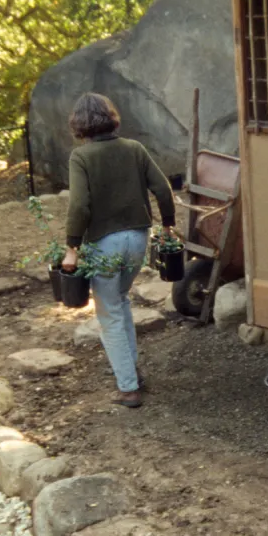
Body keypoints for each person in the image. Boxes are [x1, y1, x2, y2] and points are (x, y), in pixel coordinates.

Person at [62, 93, 177, 409]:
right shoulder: (134, 149)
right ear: (111, 117)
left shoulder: (81, 157)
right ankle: (132, 370)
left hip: (105, 243)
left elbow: (80, 205)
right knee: (120, 300)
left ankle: (128, 387)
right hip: (139, 237)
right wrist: (168, 224)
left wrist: (71, 247)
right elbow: (163, 189)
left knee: (109, 312)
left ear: (79, 124)